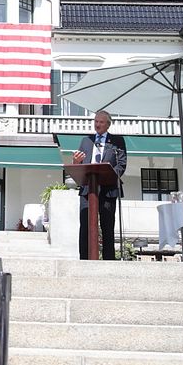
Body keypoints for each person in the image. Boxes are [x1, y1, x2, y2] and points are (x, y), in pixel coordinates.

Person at [72, 110, 127, 260]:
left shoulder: (117, 141)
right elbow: (79, 165)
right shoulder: (86, 141)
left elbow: (121, 165)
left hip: (108, 190)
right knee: (85, 227)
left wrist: (108, 174)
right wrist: (76, 162)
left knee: (107, 227)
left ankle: (109, 261)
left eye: (101, 122)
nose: (98, 124)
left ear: (108, 125)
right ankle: (84, 260)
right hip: (87, 190)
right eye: (96, 121)